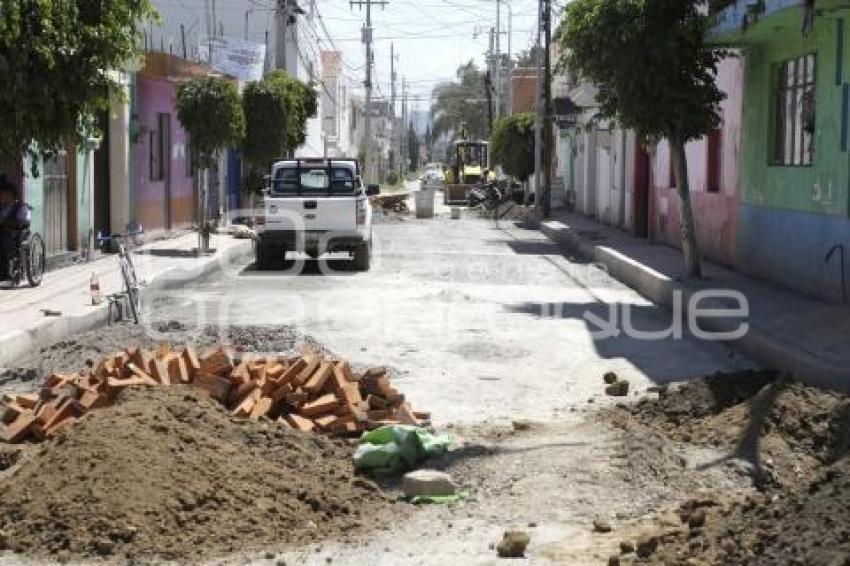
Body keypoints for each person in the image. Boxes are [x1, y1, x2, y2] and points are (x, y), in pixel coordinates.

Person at [0, 178, 30, 279]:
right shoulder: (1, 207)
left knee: (4, 240)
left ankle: (6, 272)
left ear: (12, 194)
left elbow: (23, 222)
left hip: (16, 234)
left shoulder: (21, 207)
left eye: (5, 194)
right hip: (3, 232)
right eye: (1, 194)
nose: (2, 196)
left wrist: (8, 224)